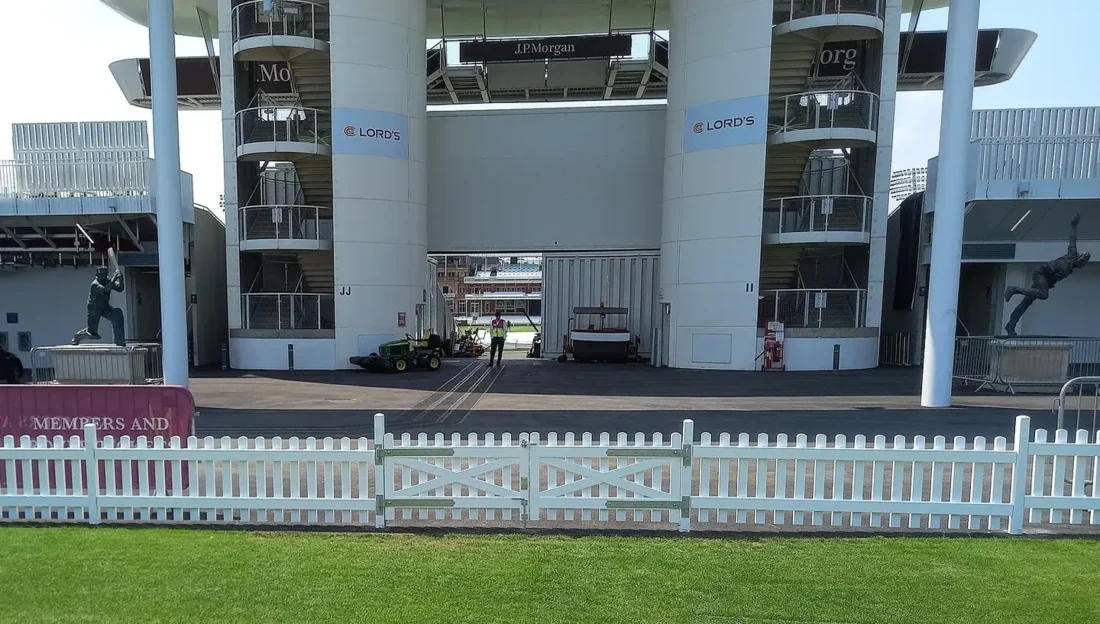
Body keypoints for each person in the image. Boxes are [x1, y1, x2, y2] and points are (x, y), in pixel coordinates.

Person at [1003, 213, 1091, 337]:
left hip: (1045, 280)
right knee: (1043, 295)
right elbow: (1072, 239)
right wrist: (1073, 225)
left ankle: (1010, 326)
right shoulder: (1071, 255)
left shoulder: (1071, 264)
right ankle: (1015, 289)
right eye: (1081, 260)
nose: (1081, 263)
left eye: (1083, 262)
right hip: (1041, 274)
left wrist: (1073, 225)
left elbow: (1072, 239)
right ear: (1078, 257)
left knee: (1026, 302)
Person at [72, 266, 126, 346]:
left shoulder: (107, 280)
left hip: (105, 306)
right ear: (97, 274)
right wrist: (114, 278)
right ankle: (77, 336)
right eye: (101, 274)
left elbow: (120, 289)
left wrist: (121, 279)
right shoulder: (95, 284)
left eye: (105, 274)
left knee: (117, 314)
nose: (103, 276)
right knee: (92, 333)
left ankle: (119, 341)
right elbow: (105, 289)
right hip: (94, 308)